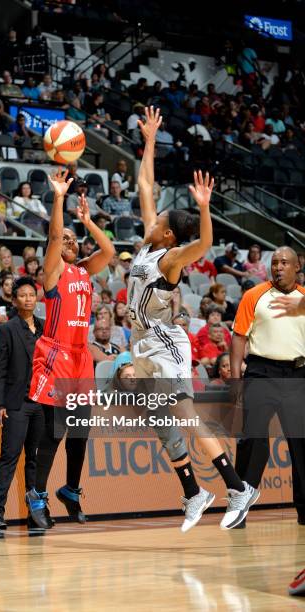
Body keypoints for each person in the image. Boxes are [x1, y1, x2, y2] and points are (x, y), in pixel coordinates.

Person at [130, 106, 259, 530]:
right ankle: (194, 493)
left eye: (161, 220)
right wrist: (149, 139)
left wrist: (204, 207)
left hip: (166, 344)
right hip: (142, 345)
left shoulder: (170, 259)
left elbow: (203, 243)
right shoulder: (151, 241)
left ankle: (237, 487)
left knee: (186, 415)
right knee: (161, 423)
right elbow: (145, 183)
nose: (152, 217)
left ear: (167, 233)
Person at [27, 168, 115, 528]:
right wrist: (60, 198)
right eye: (64, 239)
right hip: (56, 355)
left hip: (80, 360)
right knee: (53, 434)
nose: (69, 242)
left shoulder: (81, 270)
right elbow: (51, 236)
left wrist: (88, 222)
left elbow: (109, 250)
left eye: (72, 239)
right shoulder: (54, 272)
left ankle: (72, 490)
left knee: (81, 431)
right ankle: (37, 494)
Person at [232, 246, 305, 527]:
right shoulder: (254, 295)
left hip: (298, 374)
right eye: (274, 262)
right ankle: (239, 510)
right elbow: (239, 337)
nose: (278, 267)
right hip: (261, 371)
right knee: (253, 441)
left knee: (301, 445)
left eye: (285, 263)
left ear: (297, 267)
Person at [0, 277, 45, 529]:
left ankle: (37, 511)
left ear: (37, 297)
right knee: (9, 457)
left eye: (31, 294)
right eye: (22, 295)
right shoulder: (5, 330)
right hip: (16, 403)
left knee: (35, 459)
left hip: (43, 403)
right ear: (15, 300)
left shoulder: (45, 328)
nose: (27, 299)